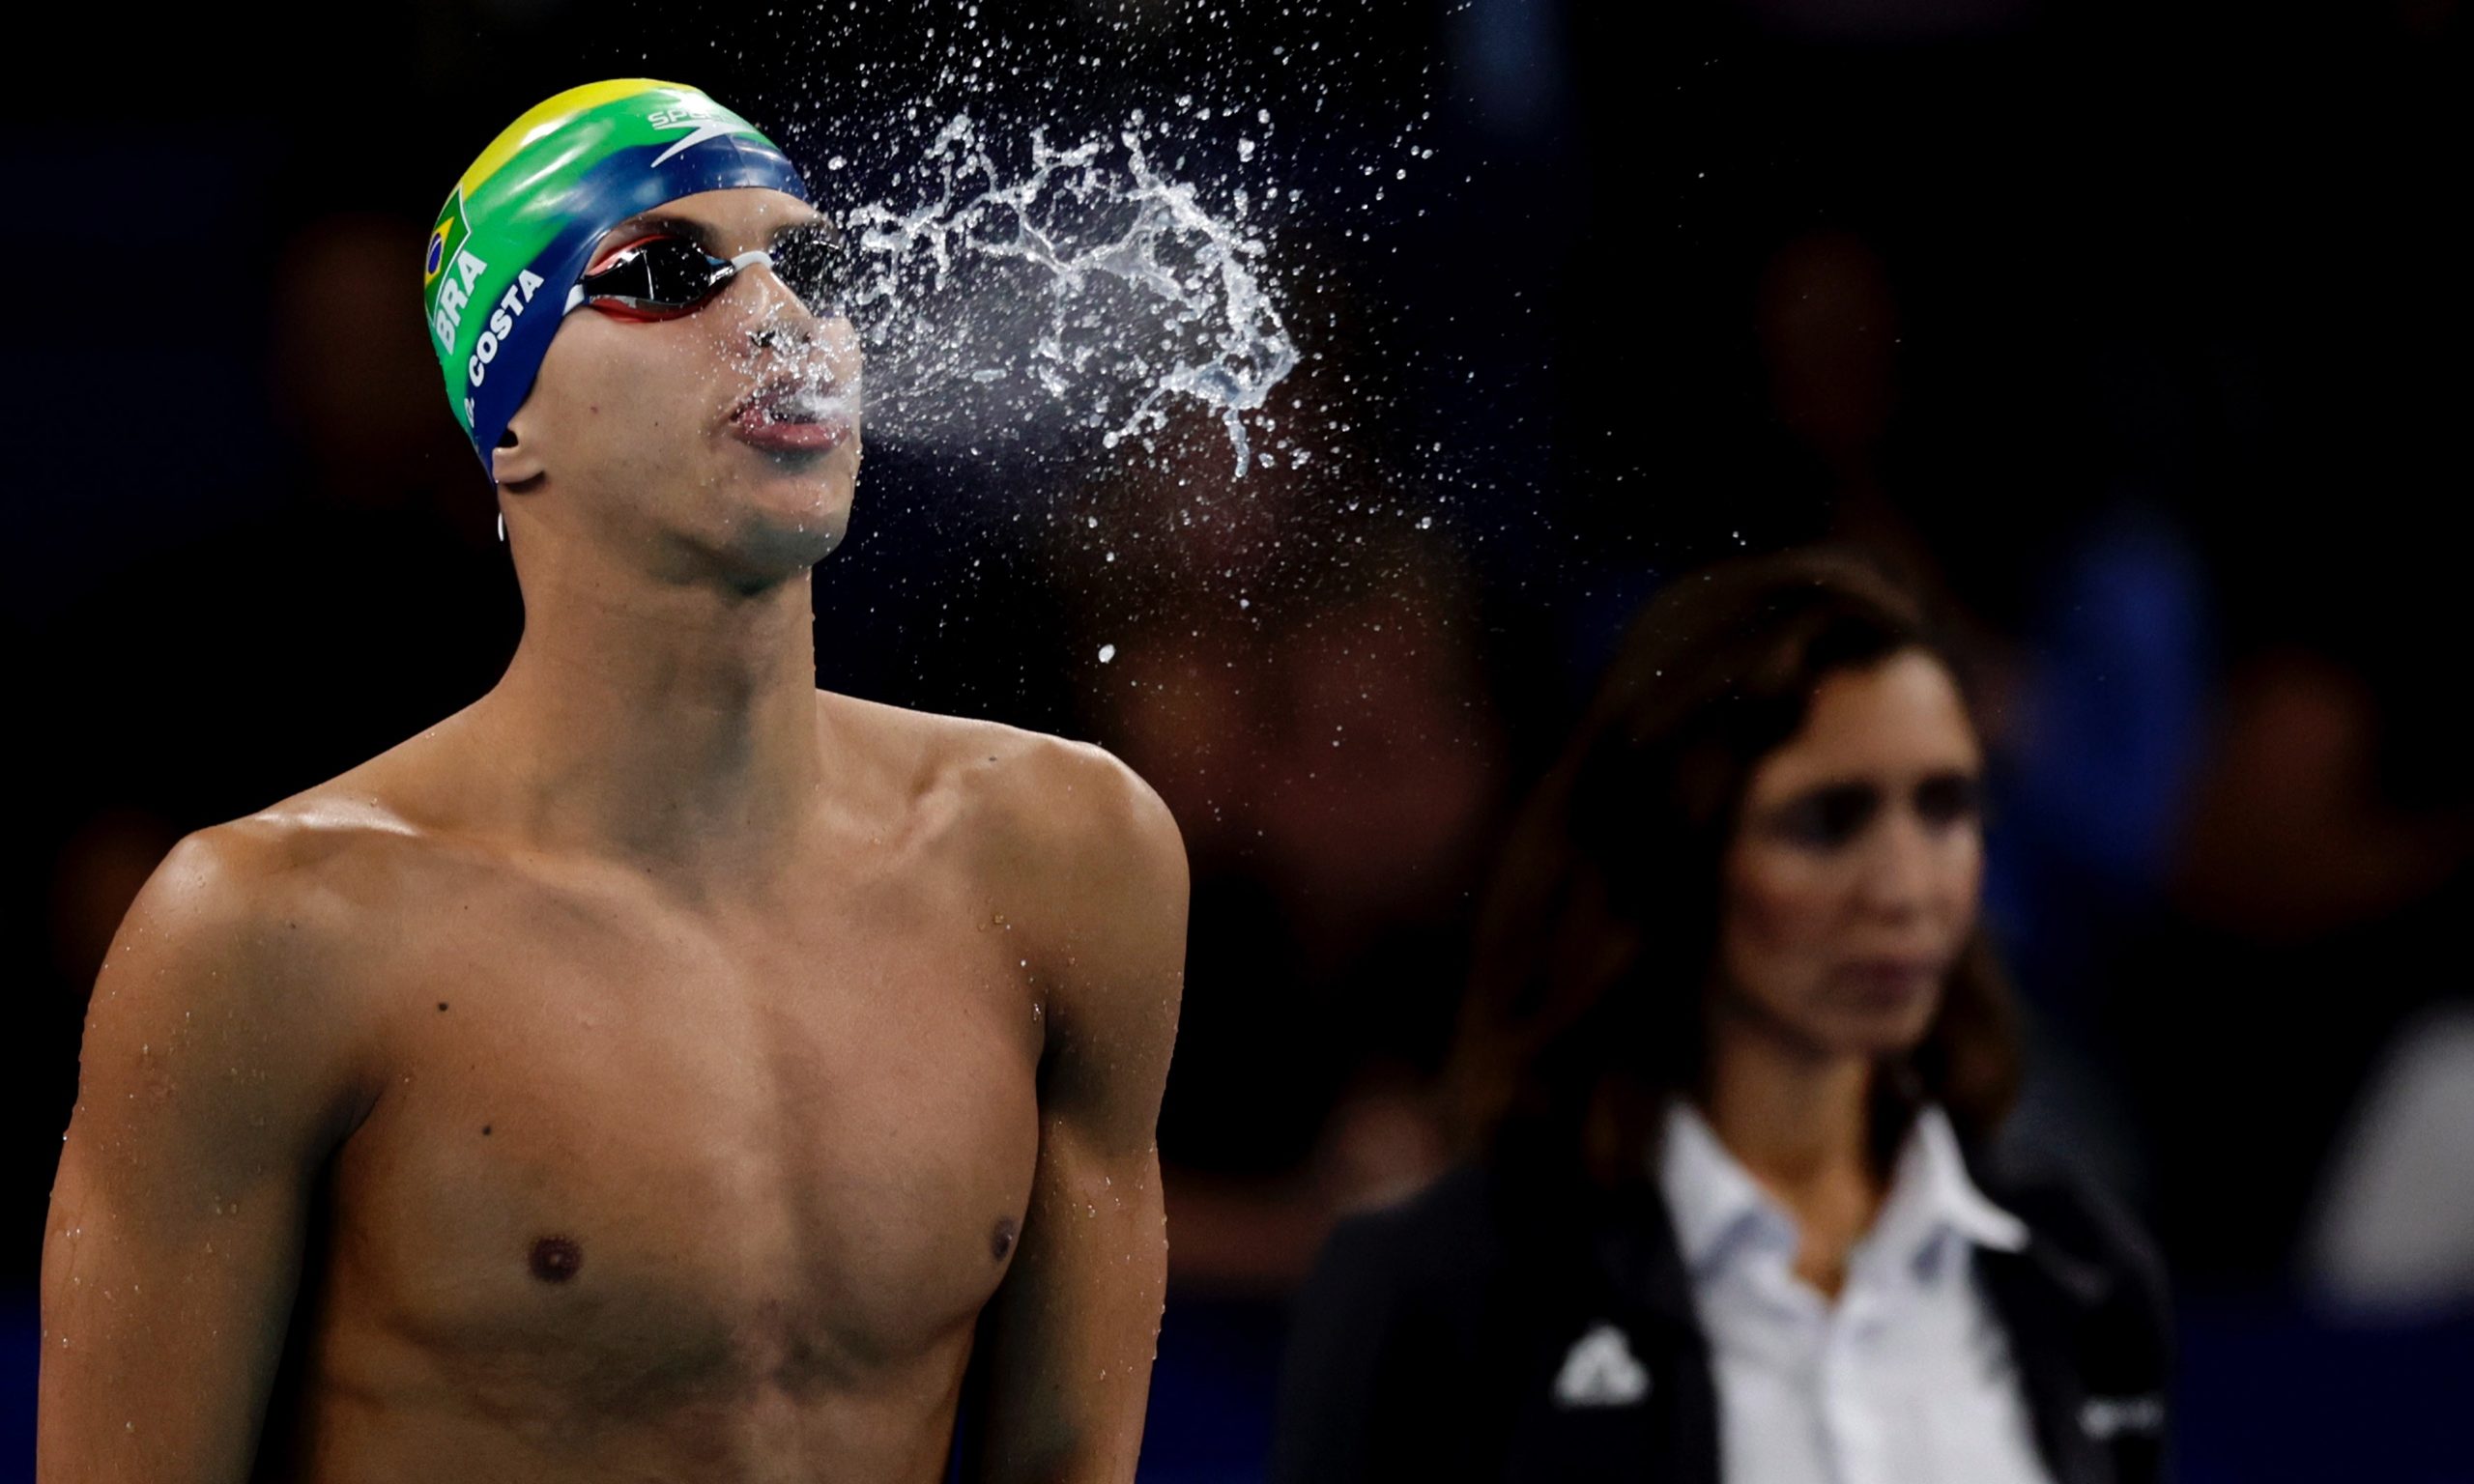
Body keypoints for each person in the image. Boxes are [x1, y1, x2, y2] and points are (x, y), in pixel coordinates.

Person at [40, 80, 1186, 1483]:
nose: (779, 320)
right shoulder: (270, 933)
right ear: (510, 426)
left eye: (808, 266)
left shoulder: (1066, 860)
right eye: (663, 275)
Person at [1271, 548, 2169, 1483]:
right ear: (1680, 850)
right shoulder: (1438, 1285)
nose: (1905, 887)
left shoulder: (2079, 1269)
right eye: (1827, 820)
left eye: (1943, 808)